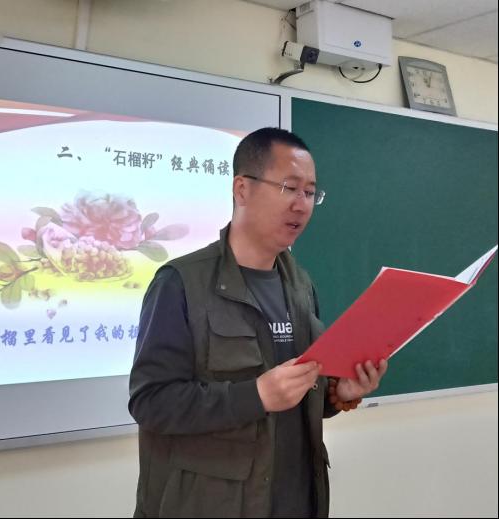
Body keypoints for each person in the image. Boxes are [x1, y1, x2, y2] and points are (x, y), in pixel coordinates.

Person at [128, 127, 387, 518]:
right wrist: (256, 396)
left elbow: (299, 402)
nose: (302, 204)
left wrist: (339, 393)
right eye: (289, 188)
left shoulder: (301, 285)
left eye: (310, 192)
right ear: (242, 189)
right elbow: (151, 403)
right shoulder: (181, 283)